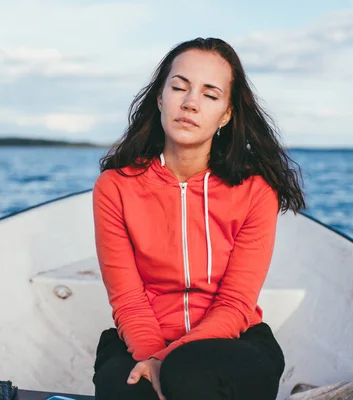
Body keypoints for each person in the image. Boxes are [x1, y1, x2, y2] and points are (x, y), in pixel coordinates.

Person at [91, 37, 306, 400]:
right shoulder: (115, 187)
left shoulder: (255, 190)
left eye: (210, 94)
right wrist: (150, 356)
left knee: (189, 374)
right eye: (179, 87)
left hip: (235, 342)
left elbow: (236, 302)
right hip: (139, 340)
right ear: (160, 98)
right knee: (131, 391)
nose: (190, 103)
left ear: (226, 114)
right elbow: (128, 299)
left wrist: (166, 359)